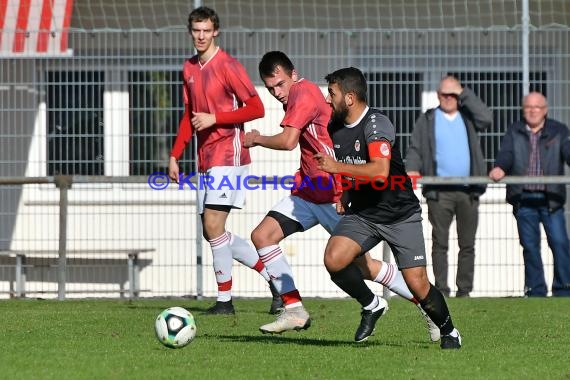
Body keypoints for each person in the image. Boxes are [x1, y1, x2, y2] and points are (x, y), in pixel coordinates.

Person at [244, 51, 439, 342]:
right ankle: (294, 308)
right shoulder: (299, 97)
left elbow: (288, 141)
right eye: (270, 88)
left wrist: (256, 138)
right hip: (310, 192)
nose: (276, 93)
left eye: (280, 84)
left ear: (293, 75)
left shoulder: (304, 94)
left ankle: (424, 306)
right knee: (262, 236)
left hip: (334, 193)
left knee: (366, 267)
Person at [316, 67, 461, 348]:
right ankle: (372, 304)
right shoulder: (334, 127)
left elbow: (380, 172)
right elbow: (355, 166)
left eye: (331, 93)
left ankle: (449, 331)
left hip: (399, 214)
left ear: (349, 97)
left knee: (418, 283)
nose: (326, 99)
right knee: (334, 259)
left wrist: (335, 167)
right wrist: (346, 192)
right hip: (363, 213)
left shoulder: (376, 123)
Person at [168, 6, 281, 315]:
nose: (201, 36)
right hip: (205, 159)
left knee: (213, 224)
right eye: (196, 30)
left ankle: (224, 302)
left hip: (229, 155)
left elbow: (256, 108)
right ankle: (276, 280)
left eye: (206, 30)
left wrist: (216, 118)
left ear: (215, 31)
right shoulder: (189, 68)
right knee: (211, 230)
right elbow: (189, 117)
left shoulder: (228, 66)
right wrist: (175, 155)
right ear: (191, 32)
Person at [406, 76, 493, 297]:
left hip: (468, 190)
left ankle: (464, 291)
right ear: (437, 95)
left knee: (467, 244)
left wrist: (463, 92)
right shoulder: (428, 119)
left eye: (453, 94)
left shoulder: (469, 118)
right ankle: (442, 290)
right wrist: (413, 169)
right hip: (439, 192)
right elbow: (415, 148)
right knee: (439, 243)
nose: (448, 98)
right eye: (445, 93)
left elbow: (487, 118)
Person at [489, 91, 570, 297]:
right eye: (528, 107)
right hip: (524, 199)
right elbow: (506, 154)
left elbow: (568, 151)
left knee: (560, 244)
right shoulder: (514, 131)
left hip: (551, 199)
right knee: (530, 247)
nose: (533, 111)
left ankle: (563, 289)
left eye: (537, 107)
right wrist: (500, 167)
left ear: (545, 110)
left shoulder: (558, 130)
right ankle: (536, 290)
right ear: (523, 110)